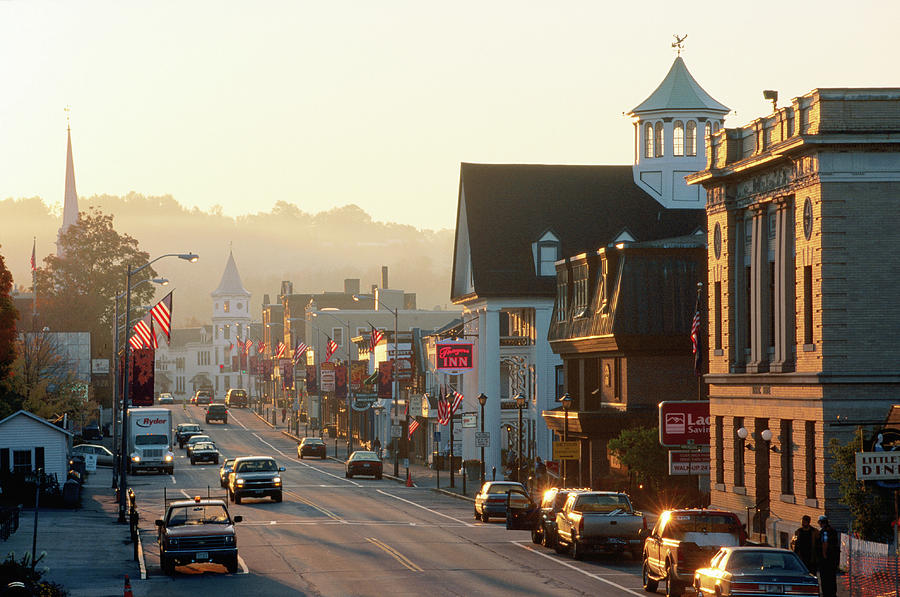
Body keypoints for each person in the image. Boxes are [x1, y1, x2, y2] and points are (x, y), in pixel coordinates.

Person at [816, 514, 840, 597]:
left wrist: (824, 555)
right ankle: (833, 593)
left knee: (825, 578)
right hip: (833, 559)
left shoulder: (824, 532)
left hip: (826, 560)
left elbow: (825, 543)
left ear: (821, 522)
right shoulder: (833, 530)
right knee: (832, 578)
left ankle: (827, 594)